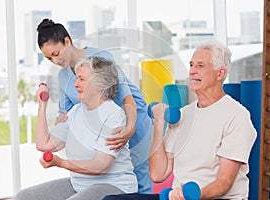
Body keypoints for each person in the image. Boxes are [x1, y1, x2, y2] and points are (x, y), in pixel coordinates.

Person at [103, 41, 257, 200]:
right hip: (179, 196)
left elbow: (224, 182)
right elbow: (157, 174)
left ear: (220, 73)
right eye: (191, 65)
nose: (192, 71)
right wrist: (159, 123)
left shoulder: (237, 115)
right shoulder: (183, 115)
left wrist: (191, 196)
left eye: (200, 66)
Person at [36, 18, 152, 194]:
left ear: (67, 41)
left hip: (131, 116)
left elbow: (127, 99)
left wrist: (130, 127)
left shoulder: (101, 59)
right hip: (100, 125)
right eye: (49, 58)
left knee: (139, 179)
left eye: (56, 53)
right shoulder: (63, 77)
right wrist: (62, 121)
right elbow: (65, 113)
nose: (55, 60)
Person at [14, 56, 138, 200]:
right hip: (78, 184)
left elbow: (101, 166)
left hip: (114, 186)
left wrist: (61, 163)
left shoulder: (113, 115)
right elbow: (44, 144)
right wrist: (43, 104)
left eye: (81, 79)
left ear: (100, 84)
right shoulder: (75, 111)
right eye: (76, 78)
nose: (75, 84)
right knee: (23, 197)